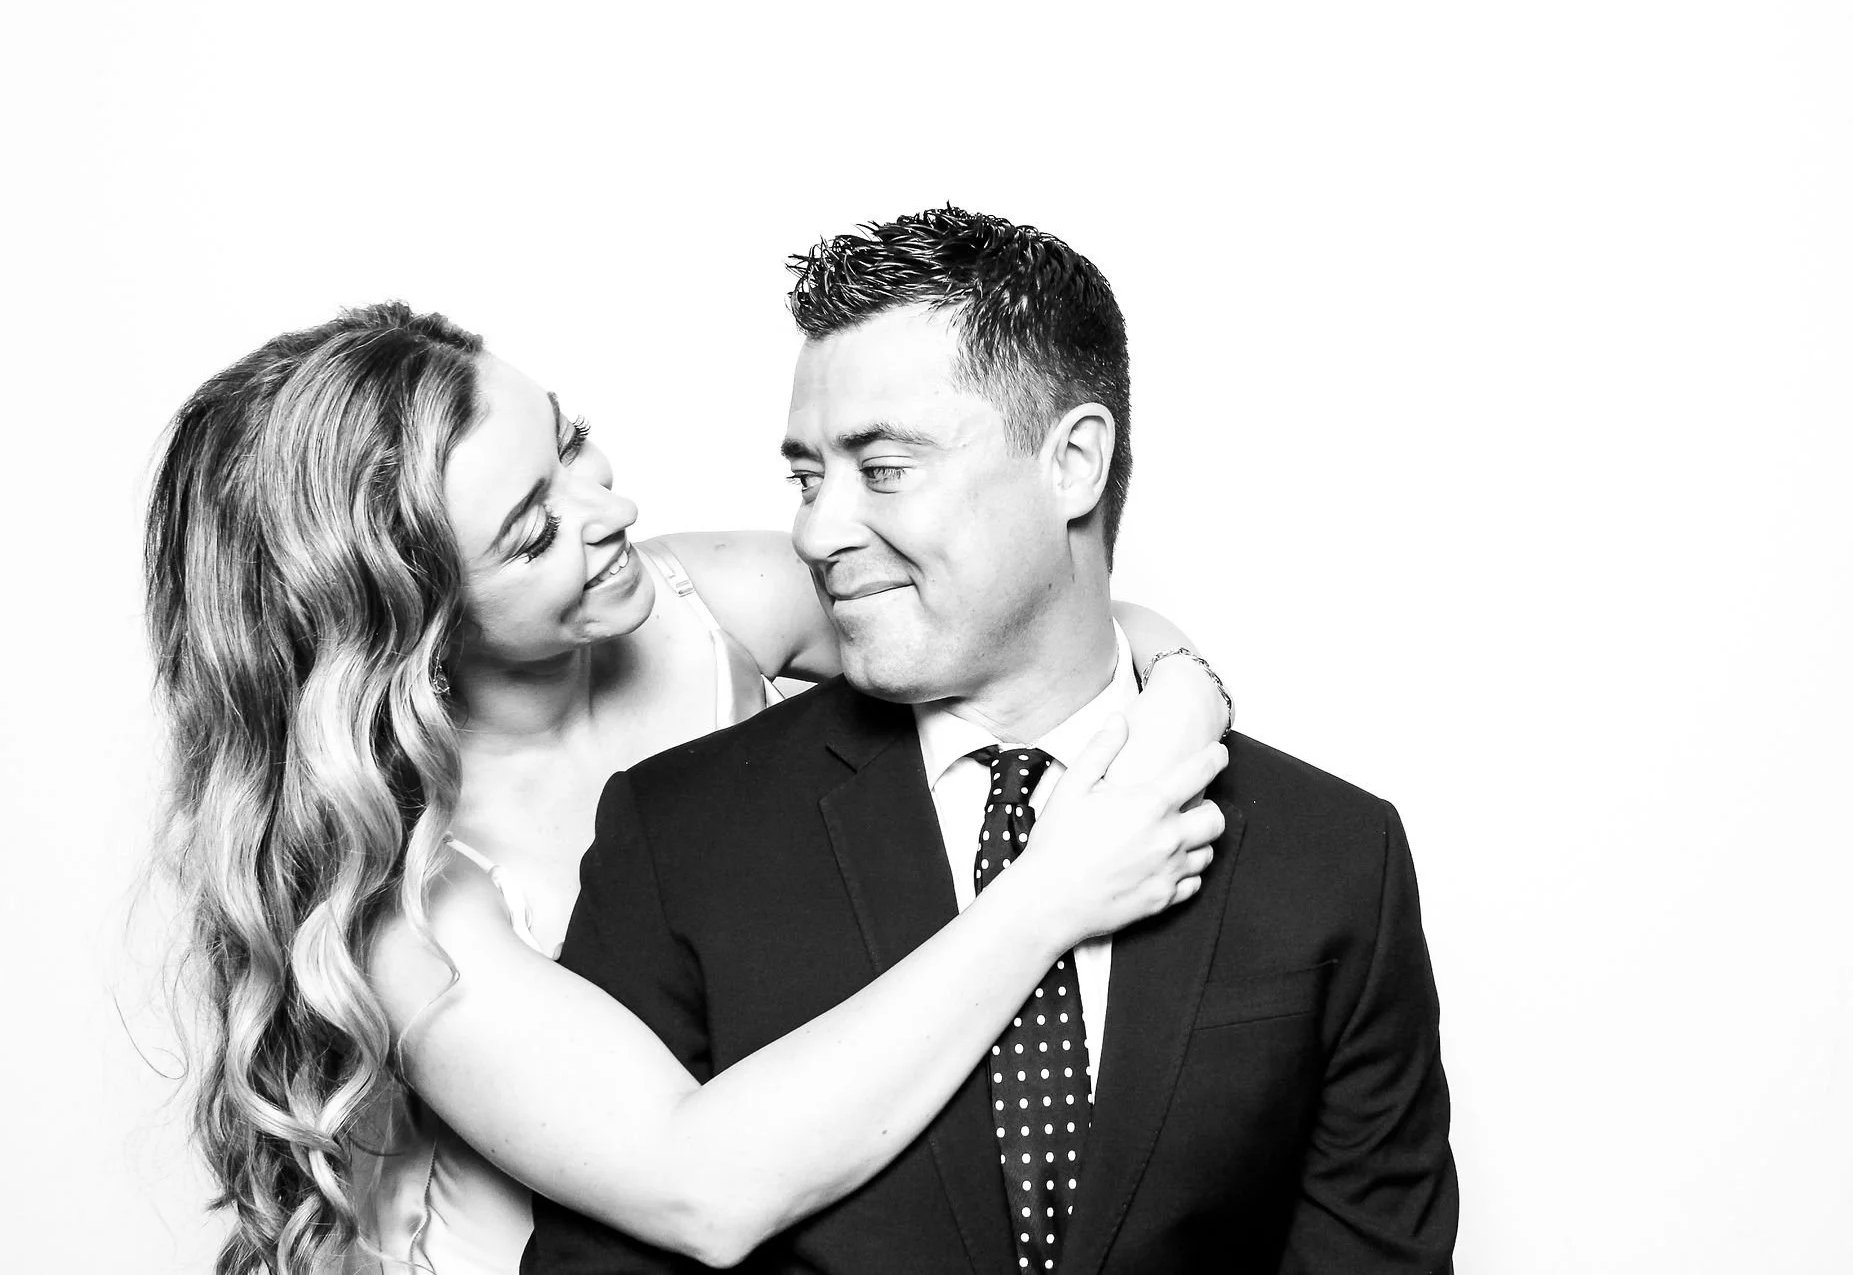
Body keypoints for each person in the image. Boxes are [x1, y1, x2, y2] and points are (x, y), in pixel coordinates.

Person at [144, 302, 1237, 1275]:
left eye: (569, 439)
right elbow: (700, 1188)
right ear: (410, 626)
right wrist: (1050, 896)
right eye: (533, 533)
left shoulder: (713, 605)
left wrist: (1180, 701)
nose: (605, 509)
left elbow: (1023, 623)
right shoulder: (399, 902)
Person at [527, 208, 1459, 1275]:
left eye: (881, 469)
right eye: (804, 478)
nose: (815, 532)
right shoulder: (678, 835)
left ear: (1072, 464)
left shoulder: (1334, 854)